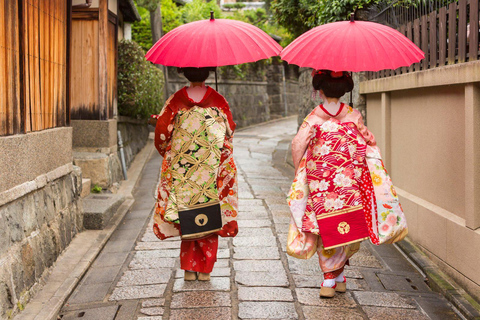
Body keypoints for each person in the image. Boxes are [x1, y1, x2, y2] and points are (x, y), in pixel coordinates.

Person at [289, 69, 376, 298]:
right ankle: (339, 277)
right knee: (346, 225)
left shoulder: (314, 117)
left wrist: (301, 169)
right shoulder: (353, 116)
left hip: (322, 185)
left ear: (319, 89)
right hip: (348, 183)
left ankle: (329, 279)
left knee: (324, 228)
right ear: (345, 88)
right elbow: (367, 142)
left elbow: (298, 145)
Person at [152, 67, 238, 281]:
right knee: (210, 211)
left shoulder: (176, 100)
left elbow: (161, 134)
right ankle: (205, 270)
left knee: (187, 213)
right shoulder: (218, 100)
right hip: (210, 166)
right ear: (208, 73)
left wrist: (172, 154)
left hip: (184, 166)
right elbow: (230, 130)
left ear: (184, 73)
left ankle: (189, 269)